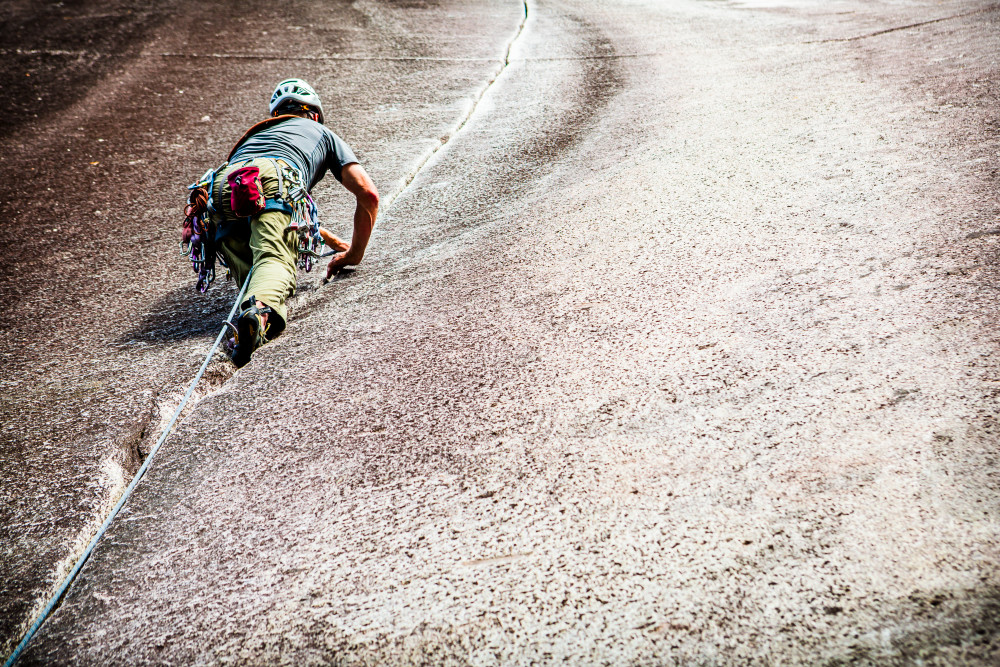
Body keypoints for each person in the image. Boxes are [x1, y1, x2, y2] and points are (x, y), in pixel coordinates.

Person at [210, 78, 379, 367]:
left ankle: (253, 320)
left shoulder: (256, 136)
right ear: (314, 114)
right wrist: (354, 254)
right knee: (276, 261)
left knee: (254, 273)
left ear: (277, 115)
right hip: (274, 175)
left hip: (220, 185)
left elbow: (273, 216)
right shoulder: (322, 132)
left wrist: (328, 238)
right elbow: (368, 194)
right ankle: (258, 312)